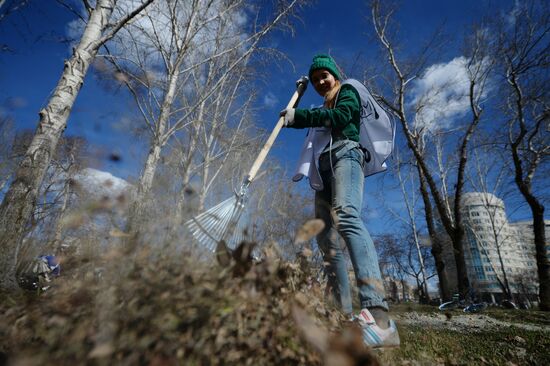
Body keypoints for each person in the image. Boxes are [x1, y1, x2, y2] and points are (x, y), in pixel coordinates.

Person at [280, 54, 399, 348]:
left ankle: (379, 316)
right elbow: (304, 124)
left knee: (346, 216)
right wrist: (297, 103)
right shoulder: (320, 104)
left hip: (347, 155)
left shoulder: (349, 91)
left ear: (336, 74)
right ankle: (342, 317)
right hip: (323, 170)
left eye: (325, 75)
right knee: (325, 241)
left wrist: (299, 116)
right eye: (316, 78)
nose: (321, 81)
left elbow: (342, 118)